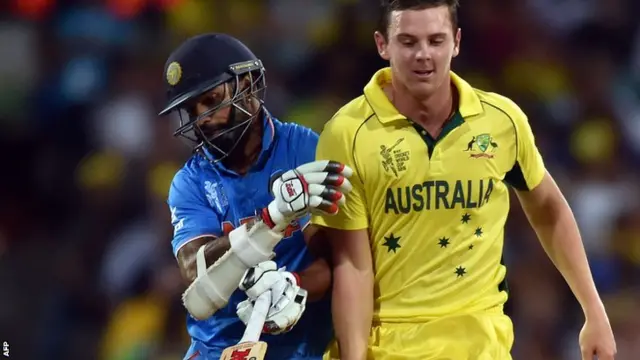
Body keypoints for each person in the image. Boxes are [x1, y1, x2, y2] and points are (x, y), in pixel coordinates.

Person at [311, 1, 617, 359]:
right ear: (383, 45)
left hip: (482, 347)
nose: (423, 54)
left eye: (436, 40)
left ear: (456, 42)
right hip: (391, 347)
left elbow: (548, 207)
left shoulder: (501, 121)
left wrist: (593, 311)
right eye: (408, 42)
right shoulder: (347, 134)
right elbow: (352, 265)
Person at [159, 33, 352, 360]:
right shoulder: (189, 181)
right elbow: (195, 269)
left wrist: (294, 282)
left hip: (304, 346)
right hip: (216, 348)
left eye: (210, 99)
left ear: (246, 84)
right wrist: (271, 219)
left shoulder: (304, 148)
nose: (202, 119)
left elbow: (337, 262)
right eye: (191, 109)